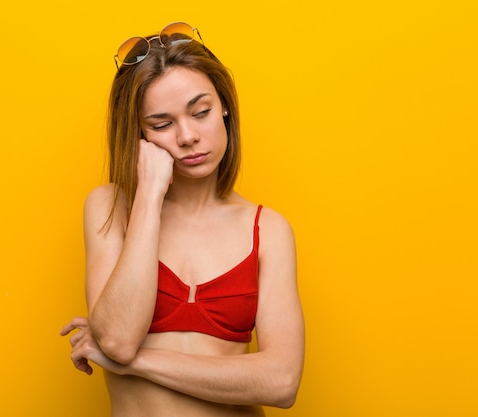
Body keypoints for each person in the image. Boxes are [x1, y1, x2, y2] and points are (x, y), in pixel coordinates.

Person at [60, 22, 304, 417]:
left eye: (201, 112)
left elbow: (281, 382)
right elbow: (119, 339)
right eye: (161, 124)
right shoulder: (109, 208)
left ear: (224, 106)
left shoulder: (268, 230)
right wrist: (150, 193)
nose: (187, 136)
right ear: (138, 132)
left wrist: (137, 363)